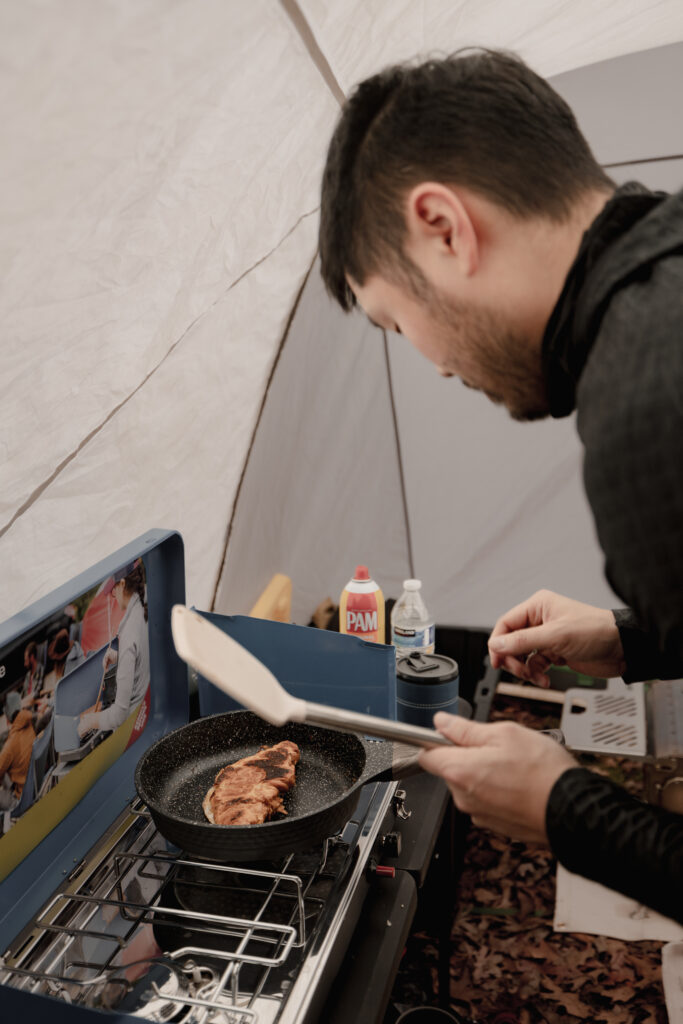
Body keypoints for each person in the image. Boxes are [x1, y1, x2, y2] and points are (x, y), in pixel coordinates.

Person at [318, 49, 683, 921]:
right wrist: (631, 638)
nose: (432, 366)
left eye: (394, 321)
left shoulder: (644, 405)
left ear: (443, 225)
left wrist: (565, 811)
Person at [78, 560, 150, 738]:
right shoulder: (144, 607)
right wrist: (119, 657)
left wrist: (89, 721)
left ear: (123, 584)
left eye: (113, 590)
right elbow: (143, 654)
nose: (113, 596)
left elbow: (119, 714)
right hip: (148, 707)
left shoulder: (128, 632)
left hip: (135, 728)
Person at [0, 690, 36, 812]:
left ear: (7, 717)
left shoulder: (10, 747)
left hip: (21, 799)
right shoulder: (29, 722)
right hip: (33, 783)